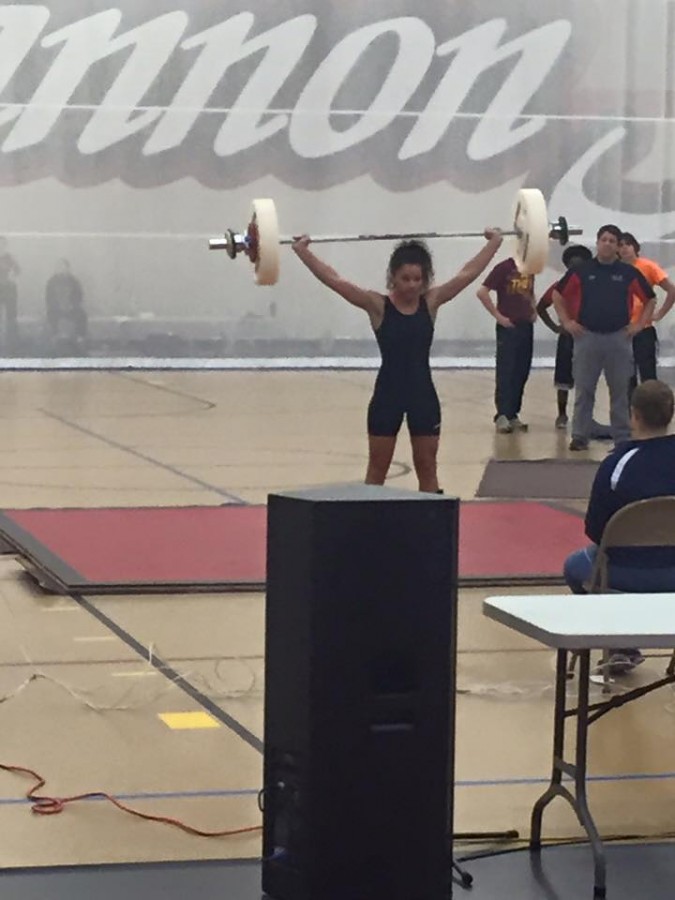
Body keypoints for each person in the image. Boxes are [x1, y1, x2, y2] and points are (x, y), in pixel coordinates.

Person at [292, 229, 504, 492]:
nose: (412, 285)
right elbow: (335, 280)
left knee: (427, 466)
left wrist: (495, 243)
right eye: (406, 278)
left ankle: (431, 528)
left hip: (422, 395)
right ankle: (371, 528)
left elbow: (467, 274)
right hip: (387, 396)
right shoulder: (377, 305)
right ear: (393, 277)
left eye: (418, 279)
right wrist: (303, 252)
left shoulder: (432, 301)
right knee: (377, 469)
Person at [563, 380, 675, 672]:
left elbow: (598, 532)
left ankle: (620, 645)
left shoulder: (615, 466)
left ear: (633, 415)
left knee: (575, 567)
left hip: (624, 574)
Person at [552, 225, 656, 451]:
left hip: (618, 339)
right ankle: (580, 435)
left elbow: (650, 299)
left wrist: (639, 325)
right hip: (587, 337)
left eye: (612, 241)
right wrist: (567, 322)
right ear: (597, 243)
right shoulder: (581, 271)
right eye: (604, 239)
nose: (607, 244)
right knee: (584, 389)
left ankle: (622, 438)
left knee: (620, 391)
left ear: (618, 247)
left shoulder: (628, 273)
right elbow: (557, 295)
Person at [537, 244, 611, 438]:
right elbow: (541, 306)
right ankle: (561, 415)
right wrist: (556, 327)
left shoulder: (593, 284)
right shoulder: (559, 285)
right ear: (567, 266)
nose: (575, 268)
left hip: (588, 335)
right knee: (563, 376)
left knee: (586, 378)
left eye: (579, 265)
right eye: (572, 265)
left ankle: (585, 417)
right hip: (568, 337)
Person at [476, 257, 536, 433]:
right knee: (506, 370)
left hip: (526, 326)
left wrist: (533, 309)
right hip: (509, 327)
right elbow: (482, 292)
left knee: (521, 370)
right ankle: (502, 414)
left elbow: (530, 292)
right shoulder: (504, 267)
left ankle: (513, 413)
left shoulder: (531, 268)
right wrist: (498, 316)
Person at [618, 232, 675, 385]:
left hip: (644, 328)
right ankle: (629, 407)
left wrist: (660, 314)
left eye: (627, 244)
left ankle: (650, 407)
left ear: (635, 247)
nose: (624, 249)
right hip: (621, 329)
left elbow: (671, 289)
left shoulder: (648, 266)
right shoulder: (614, 269)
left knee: (648, 374)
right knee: (625, 377)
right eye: (620, 245)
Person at [45, 259, 88, 351]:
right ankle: (54, 335)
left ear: (68, 268)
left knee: (82, 315)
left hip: (71, 308)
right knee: (51, 314)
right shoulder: (51, 282)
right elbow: (49, 297)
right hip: (56, 309)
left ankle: (80, 337)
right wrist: (56, 306)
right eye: (59, 267)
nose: (61, 269)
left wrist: (73, 305)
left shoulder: (74, 281)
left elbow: (79, 295)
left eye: (63, 267)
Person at [0, 236, 20, 351]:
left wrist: (13, 275)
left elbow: (17, 271)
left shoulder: (10, 258)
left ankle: (12, 343)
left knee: (11, 318)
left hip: (9, 292)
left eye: (2, 244)